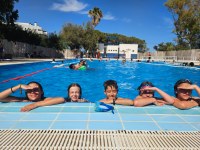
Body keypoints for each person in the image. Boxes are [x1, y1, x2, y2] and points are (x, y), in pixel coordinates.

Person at [0, 81, 64, 112]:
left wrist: (35, 104)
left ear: (41, 92)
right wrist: (18, 86)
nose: (32, 92)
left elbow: (61, 99)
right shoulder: (22, 100)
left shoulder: (45, 100)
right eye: (29, 90)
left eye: (36, 90)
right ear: (26, 93)